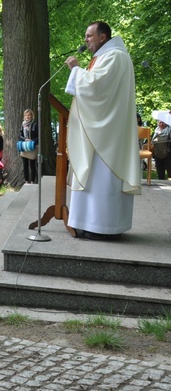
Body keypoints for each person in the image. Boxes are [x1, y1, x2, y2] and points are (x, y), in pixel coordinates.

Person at [65, 21, 141, 240]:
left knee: (102, 178)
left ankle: (104, 227)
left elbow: (97, 88)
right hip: (101, 129)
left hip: (107, 134)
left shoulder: (115, 56)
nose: (86, 40)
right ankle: (90, 224)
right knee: (95, 178)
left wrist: (76, 70)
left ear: (103, 37)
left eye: (89, 36)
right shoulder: (108, 56)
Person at [18, 109, 38, 184]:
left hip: (32, 146)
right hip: (24, 146)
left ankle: (33, 180)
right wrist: (25, 139)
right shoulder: (23, 124)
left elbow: (38, 136)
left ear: (32, 116)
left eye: (29, 115)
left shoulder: (35, 124)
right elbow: (20, 135)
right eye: (26, 115)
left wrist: (32, 140)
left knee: (32, 164)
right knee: (25, 165)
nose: (27, 117)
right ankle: (26, 180)